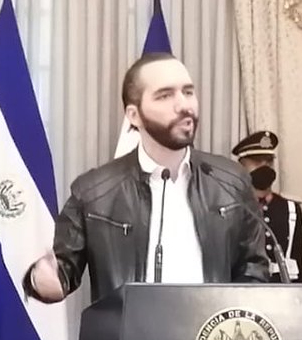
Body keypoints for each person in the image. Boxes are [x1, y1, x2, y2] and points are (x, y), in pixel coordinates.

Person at [24, 53, 269, 303]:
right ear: (134, 115)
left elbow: (253, 271)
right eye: (165, 95)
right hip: (129, 328)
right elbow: (62, 269)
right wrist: (42, 280)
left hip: (213, 327)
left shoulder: (230, 181)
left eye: (188, 92)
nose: (184, 105)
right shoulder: (94, 192)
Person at [232, 130, 302, 283]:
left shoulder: (291, 210)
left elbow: (298, 264)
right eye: (257, 161)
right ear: (241, 166)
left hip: (282, 293)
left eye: (269, 161)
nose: (265, 166)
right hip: (245, 291)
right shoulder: (232, 208)